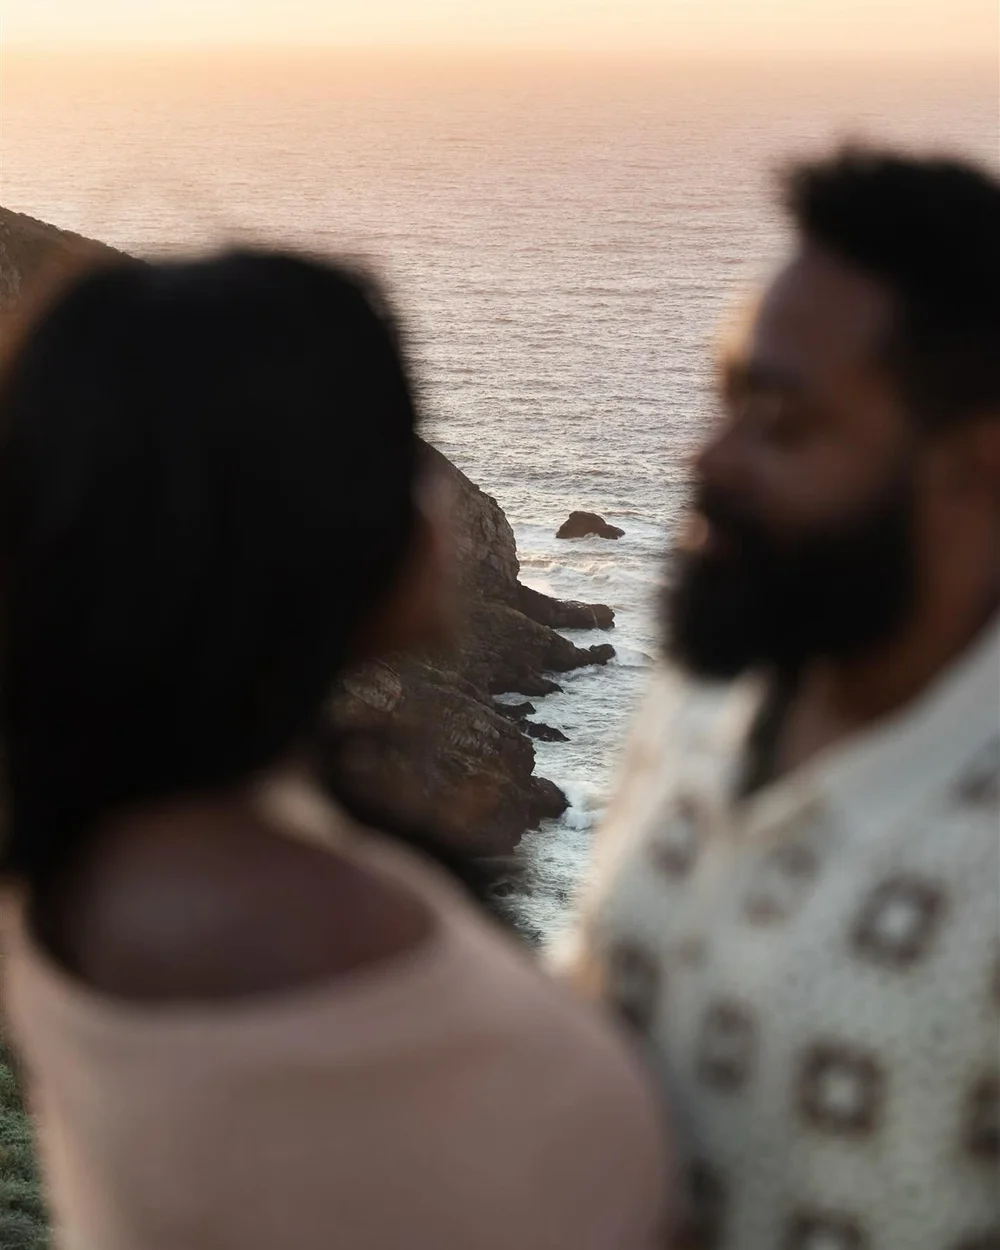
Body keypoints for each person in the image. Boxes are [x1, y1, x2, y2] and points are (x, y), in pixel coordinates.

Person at [0, 253, 668, 1250]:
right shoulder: (363, 976)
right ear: (313, 518)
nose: (441, 491)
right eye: (402, 448)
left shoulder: (73, 854)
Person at [560, 148, 1000, 1249]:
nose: (705, 457)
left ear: (975, 468)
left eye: (784, 424)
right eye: (726, 400)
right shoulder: (713, 679)